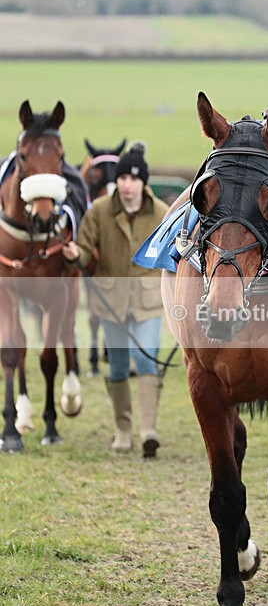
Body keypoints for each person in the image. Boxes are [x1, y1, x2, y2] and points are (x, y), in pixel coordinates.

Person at [63, 141, 169, 458]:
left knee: (147, 360)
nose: (127, 184)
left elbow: (174, 254)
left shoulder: (161, 214)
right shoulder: (99, 211)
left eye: (134, 179)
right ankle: (123, 430)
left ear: (143, 182)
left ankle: (148, 431)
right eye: (123, 178)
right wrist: (74, 254)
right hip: (111, 302)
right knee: (119, 366)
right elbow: (84, 249)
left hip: (148, 301)